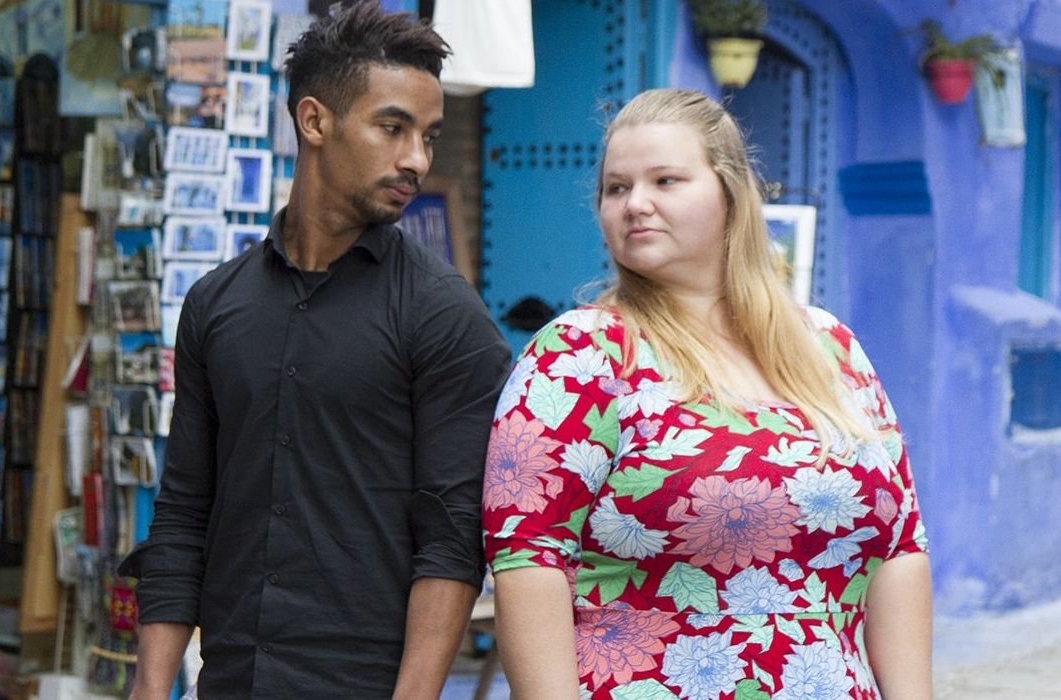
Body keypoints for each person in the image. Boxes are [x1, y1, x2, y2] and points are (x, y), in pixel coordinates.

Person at [483, 88, 932, 699]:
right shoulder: (582, 355)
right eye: (616, 188)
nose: (635, 204)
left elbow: (901, 546)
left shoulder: (831, 348)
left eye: (665, 180)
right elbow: (529, 560)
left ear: (730, 193)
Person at [120, 2, 510, 697]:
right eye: (393, 127)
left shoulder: (446, 316)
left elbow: (452, 543)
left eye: (428, 135)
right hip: (230, 679)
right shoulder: (215, 304)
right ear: (314, 121)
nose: (416, 159)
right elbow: (184, 510)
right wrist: (151, 689)